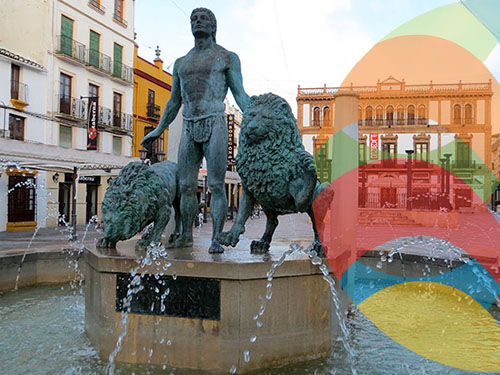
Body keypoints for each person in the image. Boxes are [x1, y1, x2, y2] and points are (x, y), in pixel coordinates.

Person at [141, 8, 249, 253]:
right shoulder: (181, 63)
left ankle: (216, 239)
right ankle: (186, 236)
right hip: (189, 124)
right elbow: (173, 101)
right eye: (194, 19)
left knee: (217, 184)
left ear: (213, 26)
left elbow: (240, 95)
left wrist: (259, 114)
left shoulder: (227, 57)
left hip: (215, 122)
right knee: (186, 186)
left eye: (204, 18)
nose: (198, 21)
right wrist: (159, 129)